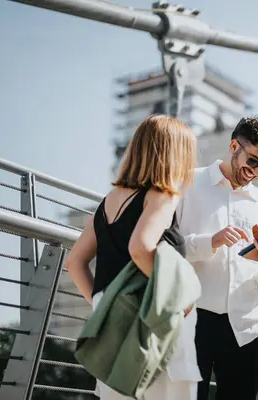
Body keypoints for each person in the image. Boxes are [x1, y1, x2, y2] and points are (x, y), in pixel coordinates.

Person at [65, 114, 201, 400]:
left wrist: (103, 302)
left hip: (114, 325)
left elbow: (74, 262)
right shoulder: (162, 196)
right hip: (153, 321)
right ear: (175, 155)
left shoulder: (108, 201)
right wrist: (175, 296)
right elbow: (140, 247)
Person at [177, 116, 258, 400]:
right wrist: (210, 242)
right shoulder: (187, 183)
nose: (256, 172)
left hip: (249, 328)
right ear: (234, 146)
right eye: (254, 161)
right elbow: (162, 248)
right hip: (190, 321)